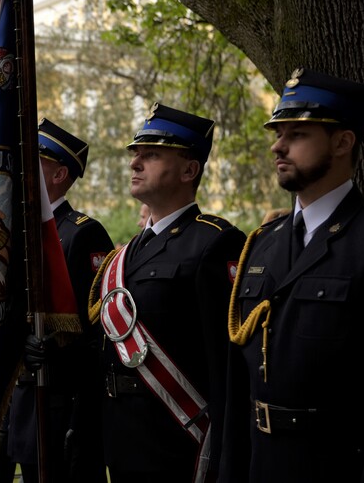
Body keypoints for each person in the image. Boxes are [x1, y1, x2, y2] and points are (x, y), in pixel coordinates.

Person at [220, 68, 364, 482]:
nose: (278, 146)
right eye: (278, 133)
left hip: (336, 464)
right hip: (261, 462)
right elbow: (238, 384)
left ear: (343, 142)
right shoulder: (263, 242)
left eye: (297, 134)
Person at [93, 103, 245, 481]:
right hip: (122, 437)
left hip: (180, 442)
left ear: (189, 170)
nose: (135, 163)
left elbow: (227, 368)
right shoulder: (125, 255)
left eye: (152, 154)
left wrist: (227, 459)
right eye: (136, 154)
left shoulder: (215, 242)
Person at [9, 119, 114, 483]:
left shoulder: (82, 233)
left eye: (33, 161)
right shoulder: (19, 233)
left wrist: (53, 348)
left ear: (59, 174)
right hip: (25, 400)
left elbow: (97, 329)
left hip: (62, 400)